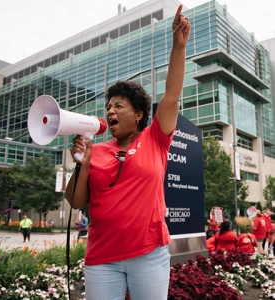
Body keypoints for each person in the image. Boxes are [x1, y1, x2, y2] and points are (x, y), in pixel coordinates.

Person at [66, 5, 190, 300]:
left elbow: (171, 96)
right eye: (108, 107)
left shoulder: (155, 138)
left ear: (138, 115)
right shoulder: (96, 151)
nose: (110, 111)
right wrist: (81, 164)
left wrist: (178, 46)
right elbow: (76, 200)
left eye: (118, 106)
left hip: (148, 255)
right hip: (102, 258)